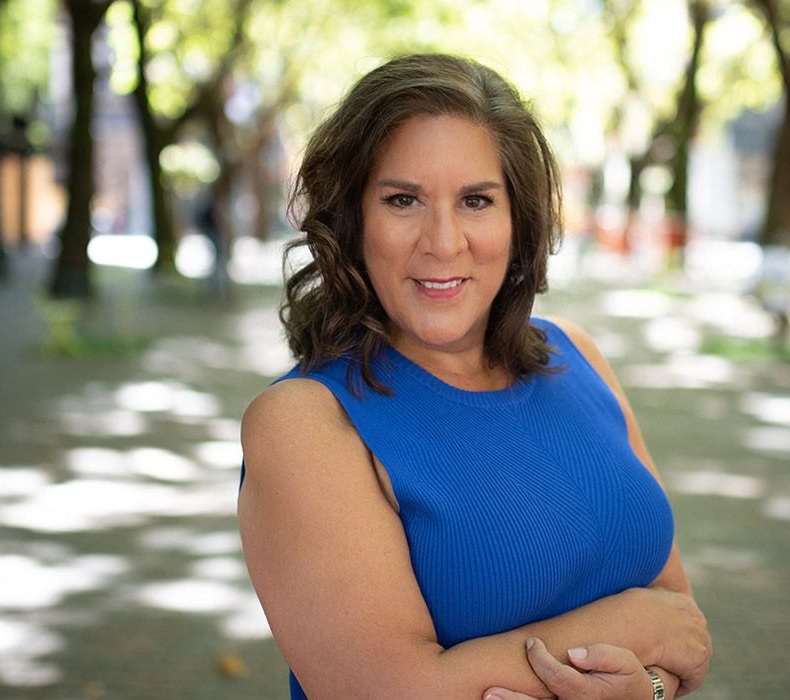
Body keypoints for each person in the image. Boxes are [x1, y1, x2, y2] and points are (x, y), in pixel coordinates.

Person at [238, 54, 711, 700]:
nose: (443, 240)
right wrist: (627, 627)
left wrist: (646, 687)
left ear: (519, 222)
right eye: (403, 199)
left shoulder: (580, 355)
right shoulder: (305, 422)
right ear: (352, 221)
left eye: (476, 200)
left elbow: (682, 631)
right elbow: (390, 692)